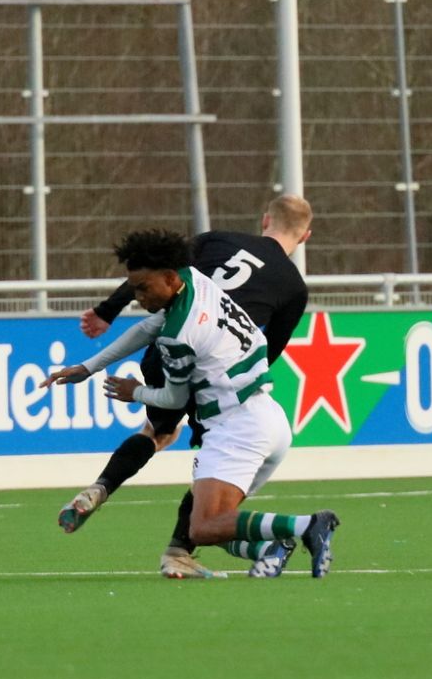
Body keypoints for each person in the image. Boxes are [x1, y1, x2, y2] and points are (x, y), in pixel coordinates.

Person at [44, 230, 338, 579]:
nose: (138, 297)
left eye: (143, 288)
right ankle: (268, 550)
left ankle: (307, 524)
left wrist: (135, 392)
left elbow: (175, 398)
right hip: (268, 419)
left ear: (170, 278)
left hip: (236, 429)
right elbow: (148, 327)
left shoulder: (179, 335)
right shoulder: (195, 280)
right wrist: (89, 367)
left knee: (203, 525)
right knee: (214, 521)